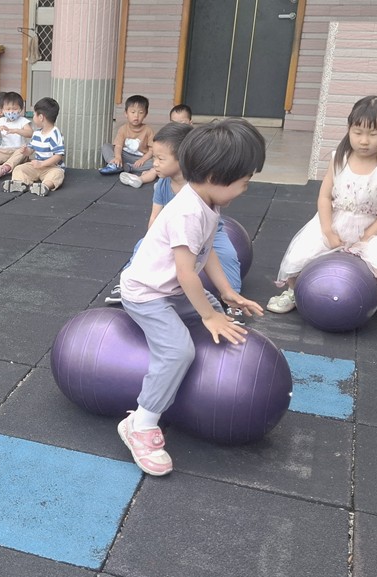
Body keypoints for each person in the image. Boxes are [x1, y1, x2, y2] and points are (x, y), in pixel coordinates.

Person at [117, 118, 266, 476]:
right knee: (179, 351)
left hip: (170, 290)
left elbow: (206, 252)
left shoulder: (208, 202)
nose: (245, 189)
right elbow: (186, 274)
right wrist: (210, 315)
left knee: (214, 314)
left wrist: (226, 294)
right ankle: (141, 423)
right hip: (147, 294)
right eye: (244, 182)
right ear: (216, 176)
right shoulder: (187, 212)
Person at [266, 95, 377, 342]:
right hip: (336, 221)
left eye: (373, 134)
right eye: (357, 132)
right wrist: (327, 229)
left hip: (374, 227)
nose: (364, 141)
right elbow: (325, 196)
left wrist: (369, 234)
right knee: (299, 255)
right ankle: (293, 291)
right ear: (349, 129)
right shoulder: (339, 158)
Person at [106, 122, 244, 320]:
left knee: (228, 255)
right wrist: (153, 241)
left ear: (182, 160)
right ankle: (129, 283)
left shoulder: (201, 188)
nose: (155, 163)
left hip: (209, 235)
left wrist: (227, 290)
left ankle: (233, 300)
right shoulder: (163, 184)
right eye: (154, 158)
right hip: (174, 234)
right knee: (142, 248)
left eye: (160, 159)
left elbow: (206, 244)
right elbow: (155, 217)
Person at [0, 97, 65, 197]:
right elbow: (31, 150)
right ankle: (21, 183)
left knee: (57, 174)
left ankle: (45, 186)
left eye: (34, 114)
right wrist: (25, 151)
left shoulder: (55, 134)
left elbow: (58, 156)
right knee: (19, 169)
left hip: (52, 167)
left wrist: (42, 164)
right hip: (36, 166)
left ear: (41, 117)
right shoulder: (36, 133)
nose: (33, 117)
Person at [121, 104, 194, 188]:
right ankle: (140, 179)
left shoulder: (193, 138)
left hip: (186, 172)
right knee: (154, 169)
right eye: (174, 123)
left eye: (182, 123)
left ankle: (162, 185)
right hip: (168, 168)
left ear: (190, 123)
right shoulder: (168, 138)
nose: (178, 127)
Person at [98, 94, 154, 176]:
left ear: (145, 114)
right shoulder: (123, 129)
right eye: (133, 112)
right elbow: (118, 146)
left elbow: (152, 149)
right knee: (106, 146)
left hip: (139, 158)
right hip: (124, 155)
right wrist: (117, 157)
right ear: (126, 113)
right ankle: (114, 163)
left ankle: (127, 167)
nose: (136, 116)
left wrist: (143, 159)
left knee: (154, 162)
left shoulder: (148, 130)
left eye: (141, 113)